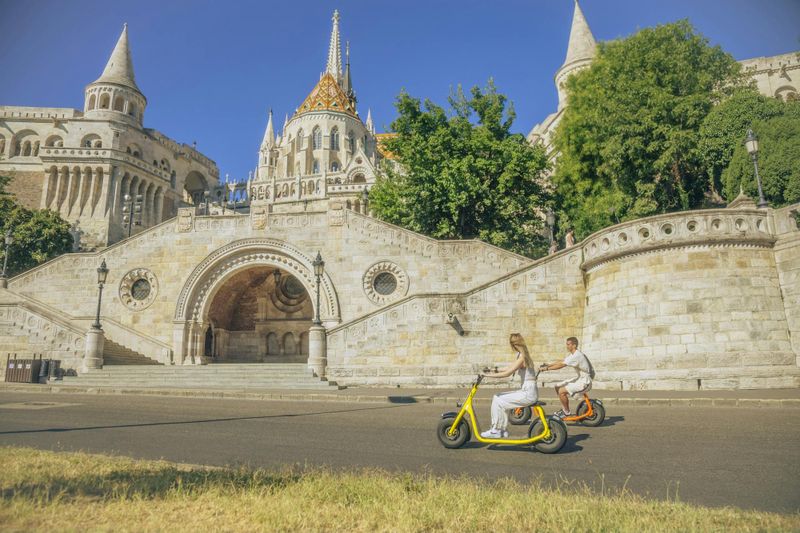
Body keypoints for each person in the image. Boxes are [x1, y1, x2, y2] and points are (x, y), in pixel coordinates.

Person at [479, 333, 538, 438]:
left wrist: (487, 375)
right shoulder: (522, 355)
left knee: (497, 399)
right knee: (498, 397)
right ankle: (501, 430)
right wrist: (492, 370)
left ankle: (497, 430)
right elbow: (509, 368)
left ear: (514, 345)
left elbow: (507, 373)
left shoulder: (522, 357)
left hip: (528, 393)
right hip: (528, 390)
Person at [540, 336, 592, 418]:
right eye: (566, 344)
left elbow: (561, 365)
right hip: (580, 379)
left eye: (568, 344)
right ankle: (564, 408)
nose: (567, 346)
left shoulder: (576, 356)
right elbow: (562, 361)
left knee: (561, 391)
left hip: (585, 381)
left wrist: (546, 369)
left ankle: (566, 412)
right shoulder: (573, 354)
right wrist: (549, 365)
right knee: (557, 386)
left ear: (574, 345)